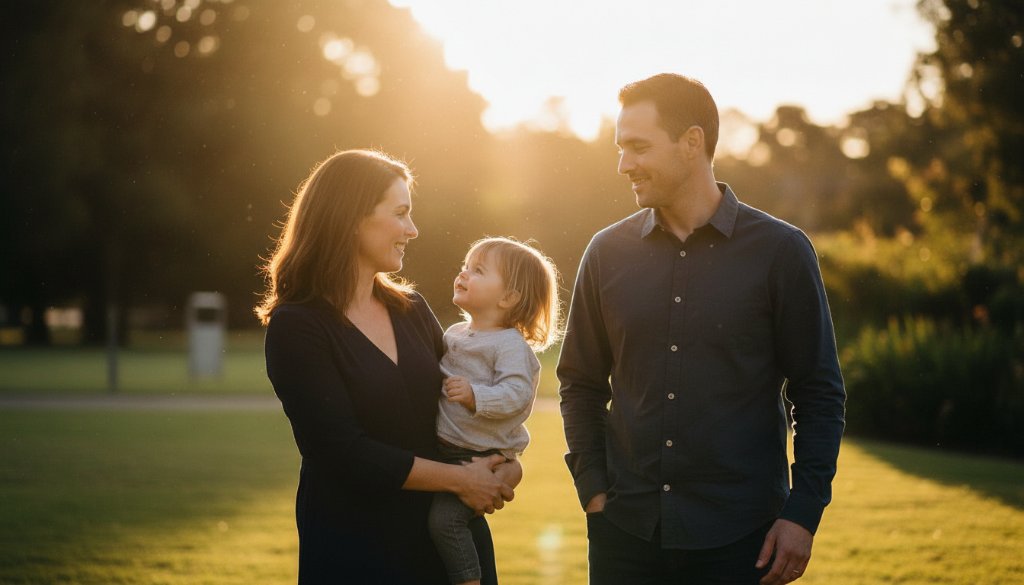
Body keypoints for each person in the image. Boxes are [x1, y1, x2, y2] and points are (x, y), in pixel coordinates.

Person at [558, 73, 846, 585]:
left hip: (742, 542)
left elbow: (818, 392)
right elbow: (579, 381)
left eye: (638, 147)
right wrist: (594, 490)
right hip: (625, 535)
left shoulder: (781, 252)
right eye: (621, 148)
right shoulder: (605, 253)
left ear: (692, 142)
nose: (624, 165)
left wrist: (802, 514)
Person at [256, 149, 517, 584]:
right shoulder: (297, 326)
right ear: (350, 216)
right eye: (400, 214)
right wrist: (461, 480)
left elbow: (463, 405)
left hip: (449, 546)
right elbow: (342, 452)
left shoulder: (411, 309)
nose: (412, 230)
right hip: (358, 548)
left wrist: (505, 465)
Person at [428, 237, 561, 585]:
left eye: (478, 270)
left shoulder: (510, 345)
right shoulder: (455, 333)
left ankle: (470, 579)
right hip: (445, 452)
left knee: (445, 521)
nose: (464, 273)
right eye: (466, 266)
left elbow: (517, 394)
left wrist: (476, 395)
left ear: (507, 298)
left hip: (477, 457)